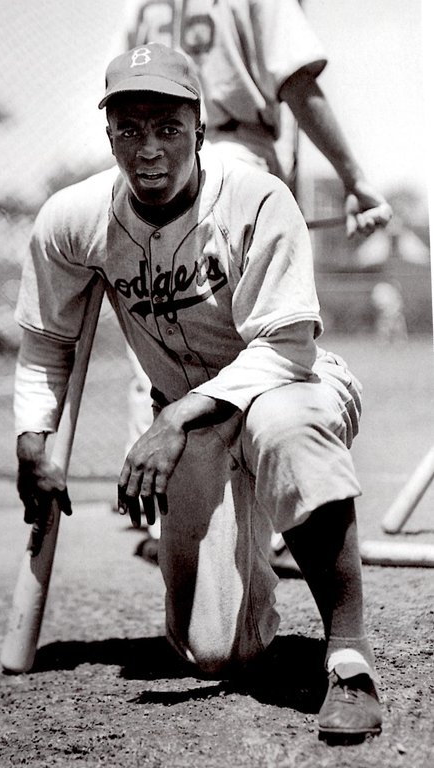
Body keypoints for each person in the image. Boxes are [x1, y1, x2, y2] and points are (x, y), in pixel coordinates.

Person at [14, 43, 383, 740]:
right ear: (109, 136)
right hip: (187, 427)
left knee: (281, 426)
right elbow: (45, 342)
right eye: (128, 129)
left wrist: (174, 418)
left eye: (166, 128)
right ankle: (255, 550)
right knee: (215, 654)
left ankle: (348, 660)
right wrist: (32, 439)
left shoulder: (254, 197)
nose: (147, 149)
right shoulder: (73, 218)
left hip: (288, 385)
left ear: (200, 131)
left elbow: (286, 345)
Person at [119, 0, 392, 557]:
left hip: (160, 156)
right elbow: (295, 81)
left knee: (156, 333)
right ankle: (267, 517)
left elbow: (129, 88)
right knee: (259, 345)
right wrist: (356, 181)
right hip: (232, 157)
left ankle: (161, 518)